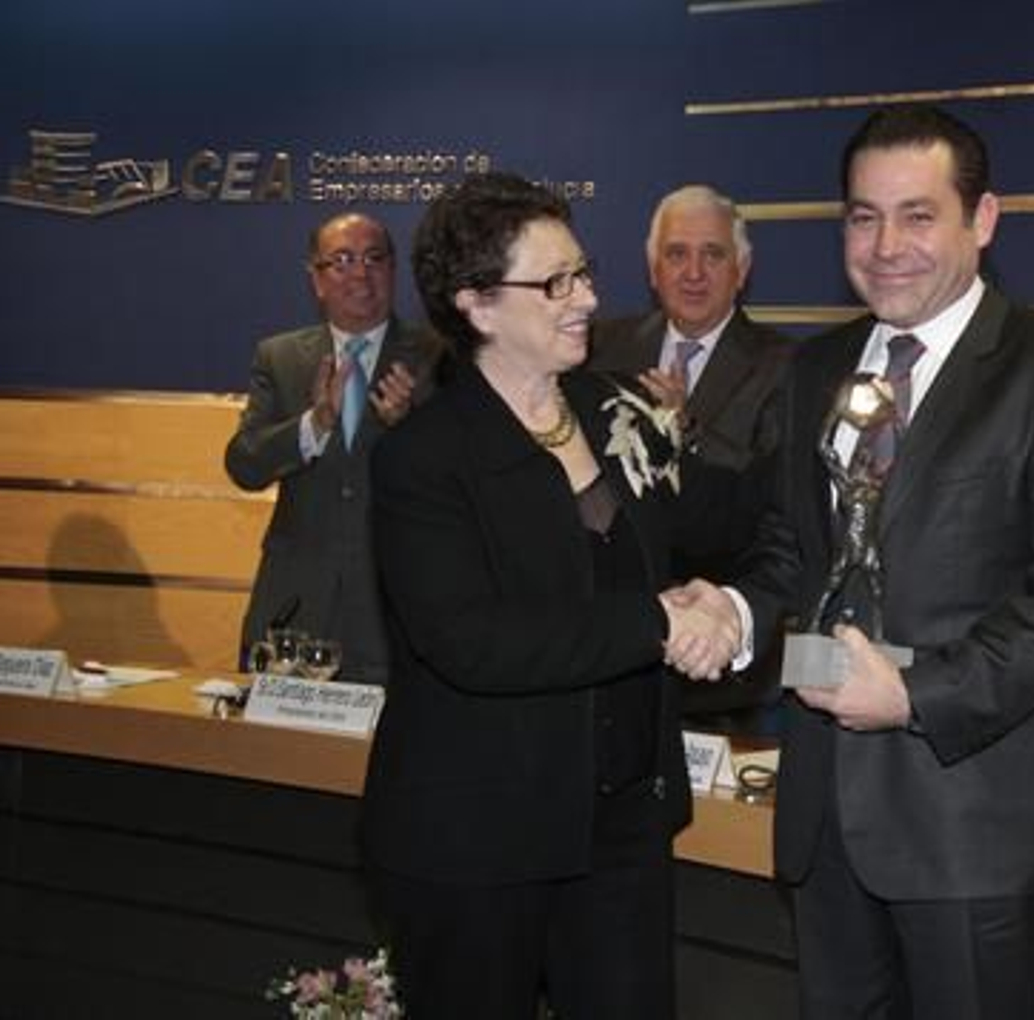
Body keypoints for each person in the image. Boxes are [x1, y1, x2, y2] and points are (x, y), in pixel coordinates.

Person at [680, 105, 1034, 1019]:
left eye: (918, 215)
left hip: (968, 826)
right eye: (862, 215)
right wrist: (732, 609)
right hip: (823, 820)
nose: (886, 244)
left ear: (983, 221)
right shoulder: (816, 369)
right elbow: (792, 544)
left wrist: (919, 694)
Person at [360, 172, 738, 1018]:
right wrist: (656, 621)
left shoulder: (615, 411)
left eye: (586, 273)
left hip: (621, 828)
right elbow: (474, 641)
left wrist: (727, 597)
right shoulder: (425, 459)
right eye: (556, 282)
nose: (589, 298)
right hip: (478, 836)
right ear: (478, 305)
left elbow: (722, 520)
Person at [588, 184, 795, 722]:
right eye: (676, 254)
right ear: (653, 269)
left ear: (742, 270)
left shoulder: (787, 367)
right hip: (613, 646)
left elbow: (768, 505)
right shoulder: (599, 348)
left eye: (713, 254)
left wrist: (684, 431)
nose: (694, 273)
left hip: (720, 667)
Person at [224, 212, 438, 684]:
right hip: (297, 609)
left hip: (398, 611)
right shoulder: (278, 358)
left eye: (373, 258)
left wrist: (410, 430)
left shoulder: (438, 358)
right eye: (341, 261)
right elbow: (244, 463)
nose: (360, 273)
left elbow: (467, 476)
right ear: (316, 279)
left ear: (393, 270)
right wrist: (314, 423)